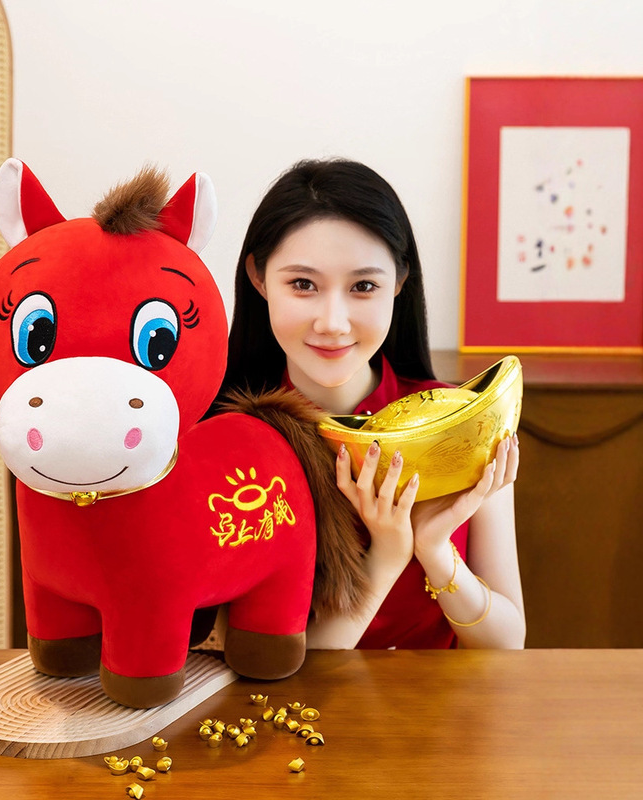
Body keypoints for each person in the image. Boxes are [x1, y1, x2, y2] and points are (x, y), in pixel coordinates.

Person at [221, 158, 525, 649]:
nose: (332, 322)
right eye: (303, 285)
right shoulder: (227, 441)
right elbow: (269, 662)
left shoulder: (465, 419)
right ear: (258, 277)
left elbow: (507, 645)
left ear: (400, 281)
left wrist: (435, 550)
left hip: (443, 700)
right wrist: (388, 554)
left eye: (363, 286)